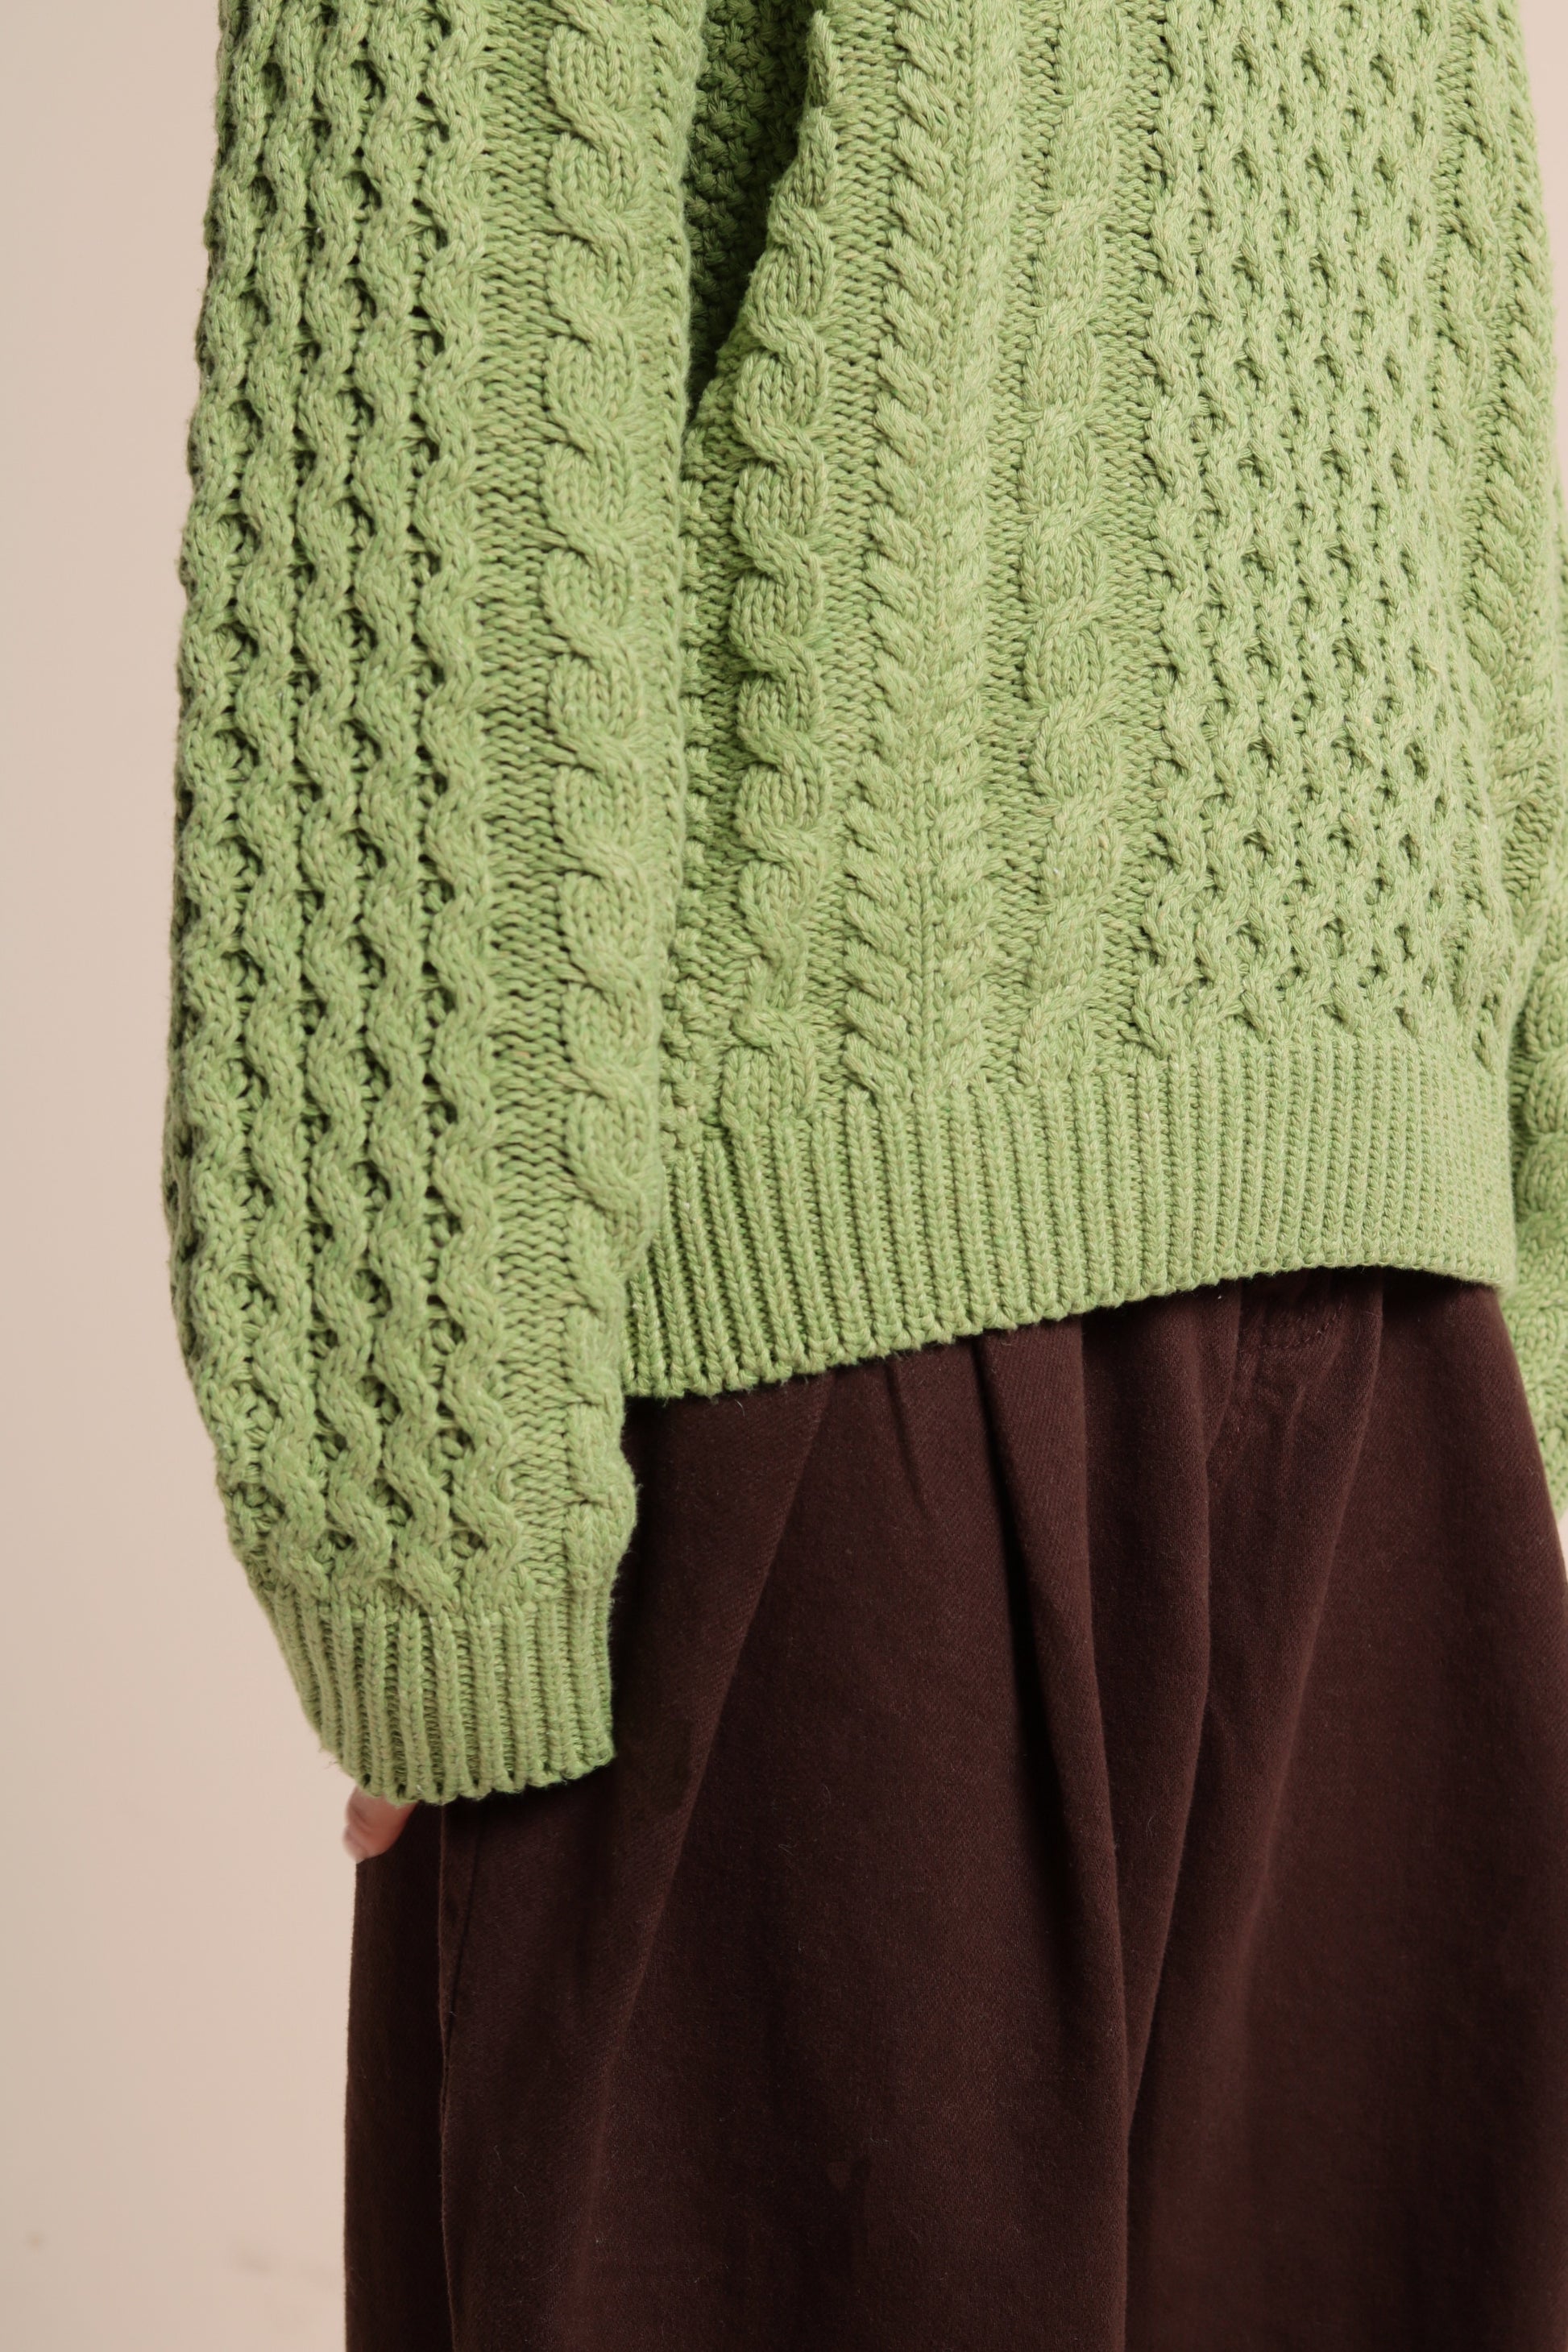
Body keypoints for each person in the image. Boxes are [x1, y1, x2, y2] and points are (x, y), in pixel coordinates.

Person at [165, 0, 1568, 2343]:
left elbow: (424, 461)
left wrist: (419, 1519)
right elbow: (1476, 411)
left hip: (852, 1378)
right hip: (1352, 1342)